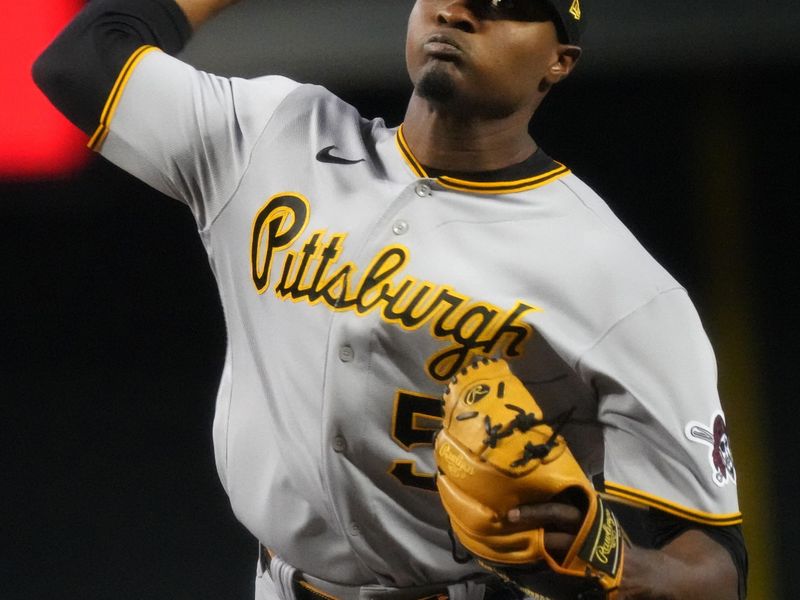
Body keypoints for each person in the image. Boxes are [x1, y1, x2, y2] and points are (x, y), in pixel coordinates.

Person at [33, 0, 748, 598]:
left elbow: (716, 567)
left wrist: (612, 561)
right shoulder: (279, 134)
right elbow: (80, 61)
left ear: (559, 61)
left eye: (509, 7)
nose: (462, 10)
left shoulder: (618, 281)